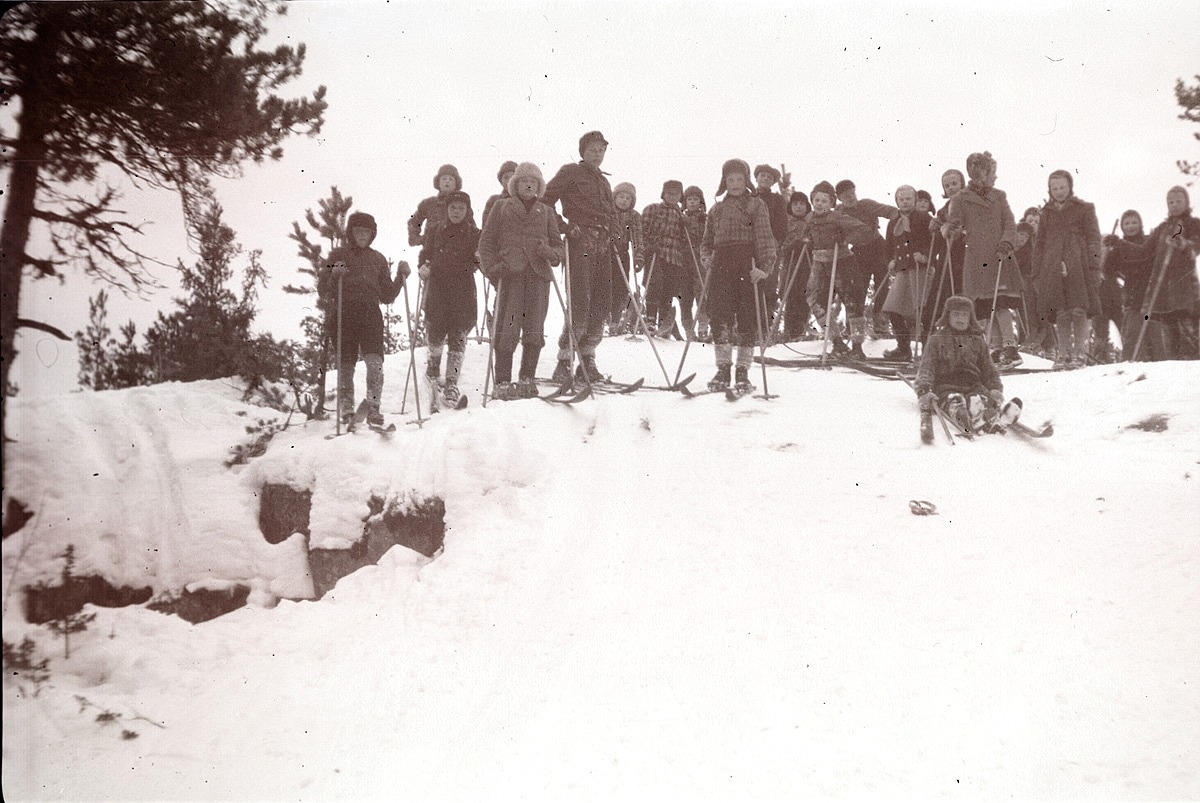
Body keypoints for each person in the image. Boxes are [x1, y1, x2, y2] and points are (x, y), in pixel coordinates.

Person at [478, 162, 565, 399]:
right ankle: (503, 382)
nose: (529, 185)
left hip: (538, 276)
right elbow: (486, 244)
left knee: (535, 329)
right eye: (524, 181)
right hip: (510, 276)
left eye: (534, 182)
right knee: (508, 328)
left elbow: (559, 246)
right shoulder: (501, 207)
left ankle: (527, 378)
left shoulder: (546, 211)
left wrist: (551, 253)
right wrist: (494, 269)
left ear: (540, 186)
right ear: (515, 185)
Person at [318, 211, 410, 428]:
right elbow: (323, 289)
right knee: (346, 364)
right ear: (351, 232)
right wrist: (334, 275)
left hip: (370, 315)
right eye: (358, 231)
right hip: (344, 314)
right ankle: (347, 409)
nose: (362, 235)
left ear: (372, 234)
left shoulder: (377, 259)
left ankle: (374, 407)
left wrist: (400, 277)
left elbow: (387, 295)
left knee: (375, 362)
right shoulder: (338, 255)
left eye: (366, 232)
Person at [543, 130, 617, 384]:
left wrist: (615, 236)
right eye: (593, 150)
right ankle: (564, 362)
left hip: (604, 243)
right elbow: (546, 200)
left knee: (601, 302)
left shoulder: (604, 182)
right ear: (583, 151)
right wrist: (564, 227)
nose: (597, 155)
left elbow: (612, 214)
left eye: (601, 150)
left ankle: (587, 360)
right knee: (580, 301)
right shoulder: (570, 172)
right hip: (580, 240)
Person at [700, 159, 777, 391]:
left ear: (746, 181)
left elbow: (765, 239)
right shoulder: (716, 209)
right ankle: (723, 369)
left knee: (747, 318)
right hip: (722, 264)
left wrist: (764, 268)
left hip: (747, 263)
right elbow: (706, 242)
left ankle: (742, 371)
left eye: (739, 179)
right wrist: (706, 258)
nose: (734, 184)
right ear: (724, 182)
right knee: (719, 315)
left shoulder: (756, 205)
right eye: (730, 180)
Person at [943, 151, 1024, 368]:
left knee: (1000, 302)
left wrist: (1007, 241)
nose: (995, 177)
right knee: (987, 304)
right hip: (977, 258)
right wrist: (948, 228)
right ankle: (996, 349)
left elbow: (1009, 222)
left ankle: (1010, 346)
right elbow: (956, 222)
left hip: (999, 254)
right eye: (992, 173)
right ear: (981, 174)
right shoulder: (961, 198)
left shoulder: (999, 196)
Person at [1104, 186, 1200, 360]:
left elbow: (1196, 245)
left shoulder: (1193, 225)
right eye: (1171, 202)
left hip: (1185, 293)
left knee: (1190, 342)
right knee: (1170, 345)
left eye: (1179, 201)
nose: (1174, 205)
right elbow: (1142, 252)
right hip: (1164, 295)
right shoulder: (1163, 228)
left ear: (1186, 202)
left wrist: (1184, 245)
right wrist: (1119, 243)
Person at [915, 295, 1012, 441]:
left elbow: (989, 369)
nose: (960, 319)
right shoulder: (937, 339)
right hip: (946, 385)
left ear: (970, 318)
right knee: (954, 400)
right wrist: (924, 390)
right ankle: (960, 412)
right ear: (947, 316)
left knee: (981, 397)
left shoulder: (978, 341)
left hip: (973, 384)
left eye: (964, 315)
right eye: (956, 314)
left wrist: (995, 388)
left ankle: (991, 417)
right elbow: (927, 367)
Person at [1032, 169, 1102, 370]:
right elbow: (1040, 244)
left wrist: (1094, 266)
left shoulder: (1084, 209)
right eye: (1055, 188)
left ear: (1070, 186)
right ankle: (1063, 353)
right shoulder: (1046, 213)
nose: (1059, 191)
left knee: (1078, 309)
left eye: (1062, 187)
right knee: (1061, 311)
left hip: (1079, 265)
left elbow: (1094, 238)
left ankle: (1079, 353)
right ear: (1049, 190)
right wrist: (1037, 273)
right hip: (1052, 265)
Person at [418, 189, 480, 406]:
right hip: (439, 287)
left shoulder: (474, 233)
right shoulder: (436, 230)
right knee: (435, 331)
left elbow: (480, 257)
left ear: (467, 210)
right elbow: (425, 254)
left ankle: (452, 382)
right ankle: (433, 371)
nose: (456, 212)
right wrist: (423, 267)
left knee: (459, 335)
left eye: (461, 208)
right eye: (453, 208)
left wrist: (480, 260)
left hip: (462, 289)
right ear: (446, 209)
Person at [804, 180, 875, 356]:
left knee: (852, 303)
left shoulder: (837, 217)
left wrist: (846, 239)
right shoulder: (810, 218)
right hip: (820, 264)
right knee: (815, 301)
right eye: (817, 200)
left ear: (831, 204)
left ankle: (857, 348)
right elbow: (805, 232)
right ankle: (837, 341)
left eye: (824, 201)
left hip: (842, 262)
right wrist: (806, 238)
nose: (819, 204)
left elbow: (863, 230)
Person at [835, 178, 898, 345]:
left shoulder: (866, 205)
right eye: (845, 195)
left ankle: (881, 326)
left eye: (852, 192)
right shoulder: (839, 211)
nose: (850, 197)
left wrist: (896, 232)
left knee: (882, 286)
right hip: (858, 251)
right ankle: (853, 327)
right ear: (840, 198)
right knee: (857, 288)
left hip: (877, 247)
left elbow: (891, 212)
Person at [881, 185, 933, 361]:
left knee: (922, 309)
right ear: (896, 201)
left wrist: (925, 255)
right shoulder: (893, 221)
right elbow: (888, 246)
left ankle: (928, 351)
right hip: (903, 269)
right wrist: (890, 259)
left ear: (915, 200)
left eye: (908, 198)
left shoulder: (924, 218)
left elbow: (933, 241)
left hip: (920, 269)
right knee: (892, 309)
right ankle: (903, 348)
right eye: (901, 199)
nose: (905, 202)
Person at [641, 180, 691, 337]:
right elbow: (642, 230)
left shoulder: (682, 216)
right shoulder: (653, 209)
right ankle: (650, 318)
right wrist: (648, 246)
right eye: (669, 193)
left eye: (676, 194)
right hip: (657, 253)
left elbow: (686, 240)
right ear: (663, 194)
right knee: (655, 282)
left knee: (669, 288)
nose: (672, 196)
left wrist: (686, 225)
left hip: (674, 257)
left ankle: (664, 320)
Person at [1102, 210, 1153, 360]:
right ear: (1122, 227)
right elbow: (1109, 270)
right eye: (1127, 223)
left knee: (1154, 338)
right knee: (1131, 337)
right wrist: (1108, 252)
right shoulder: (1118, 247)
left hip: (1151, 296)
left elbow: (1142, 254)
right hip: (1133, 298)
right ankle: (1130, 367)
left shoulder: (1148, 241)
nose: (1131, 226)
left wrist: (1118, 244)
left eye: (1134, 222)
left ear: (1141, 224)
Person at [610, 181, 645, 334]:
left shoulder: (634, 216)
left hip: (623, 252)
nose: (624, 200)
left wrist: (639, 257)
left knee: (621, 286)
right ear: (615, 197)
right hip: (606, 251)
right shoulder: (608, 211)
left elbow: (637, 237)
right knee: (604, 284)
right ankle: (604, 318)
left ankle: (616, 319)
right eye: (621, 196)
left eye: (628, 198)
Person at [778, 191, 813, 341]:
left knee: (806, 294)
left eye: (801, 204)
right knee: (790, 294)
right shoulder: (786, 222)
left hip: (808, 262)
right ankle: (789, 332)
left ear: (807, 206)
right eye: (795, 204)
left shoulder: (812, 221)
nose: (798, 207)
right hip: (791, 262)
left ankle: (801, 331)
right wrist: (794, 244)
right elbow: (781, 245)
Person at [407, 164, 468, 247]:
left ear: (456, 184)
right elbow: (414, 222)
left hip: (455, 250)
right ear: (438, 183)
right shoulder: (428, 203)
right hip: (432, 250)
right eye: (444, 178)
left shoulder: (463, 204)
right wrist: (418, 239)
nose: (447, 181)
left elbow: (471, 227)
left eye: (451, 179)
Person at [682, 185, 710, 341]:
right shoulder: (681, 218)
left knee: (701, 291)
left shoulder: (705, 218)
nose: (692, 203)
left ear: (701, 202)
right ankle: (688, 328)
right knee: (685, 295)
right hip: (684, 259)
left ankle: (703, 325)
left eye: (696, 199)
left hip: (699, 258)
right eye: (689, 199)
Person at [481, 160, 518, 230]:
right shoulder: (494, 200)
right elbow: (486, 227)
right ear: (501, 180)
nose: (509, 180)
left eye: (513, 177)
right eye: (506, 177)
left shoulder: (526, 200)